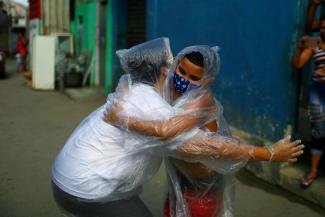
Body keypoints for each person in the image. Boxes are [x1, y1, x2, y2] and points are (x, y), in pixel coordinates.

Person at [107, 45, 304, 217]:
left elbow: (221, 149)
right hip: (179, 184)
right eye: (182, 71)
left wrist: (269, 153)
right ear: (175, 65)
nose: (184, 79)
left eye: (194, 77)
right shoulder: (168, 90)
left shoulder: (201, 102)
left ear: (206, 81)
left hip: (201, 192)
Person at [292, 19, 325, 188]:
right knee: (319, 130)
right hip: (318, 91)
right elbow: (297, 64)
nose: (324, 30)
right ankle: (313, 170)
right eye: (322, 27)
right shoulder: (315, 42)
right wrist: (299, 48)